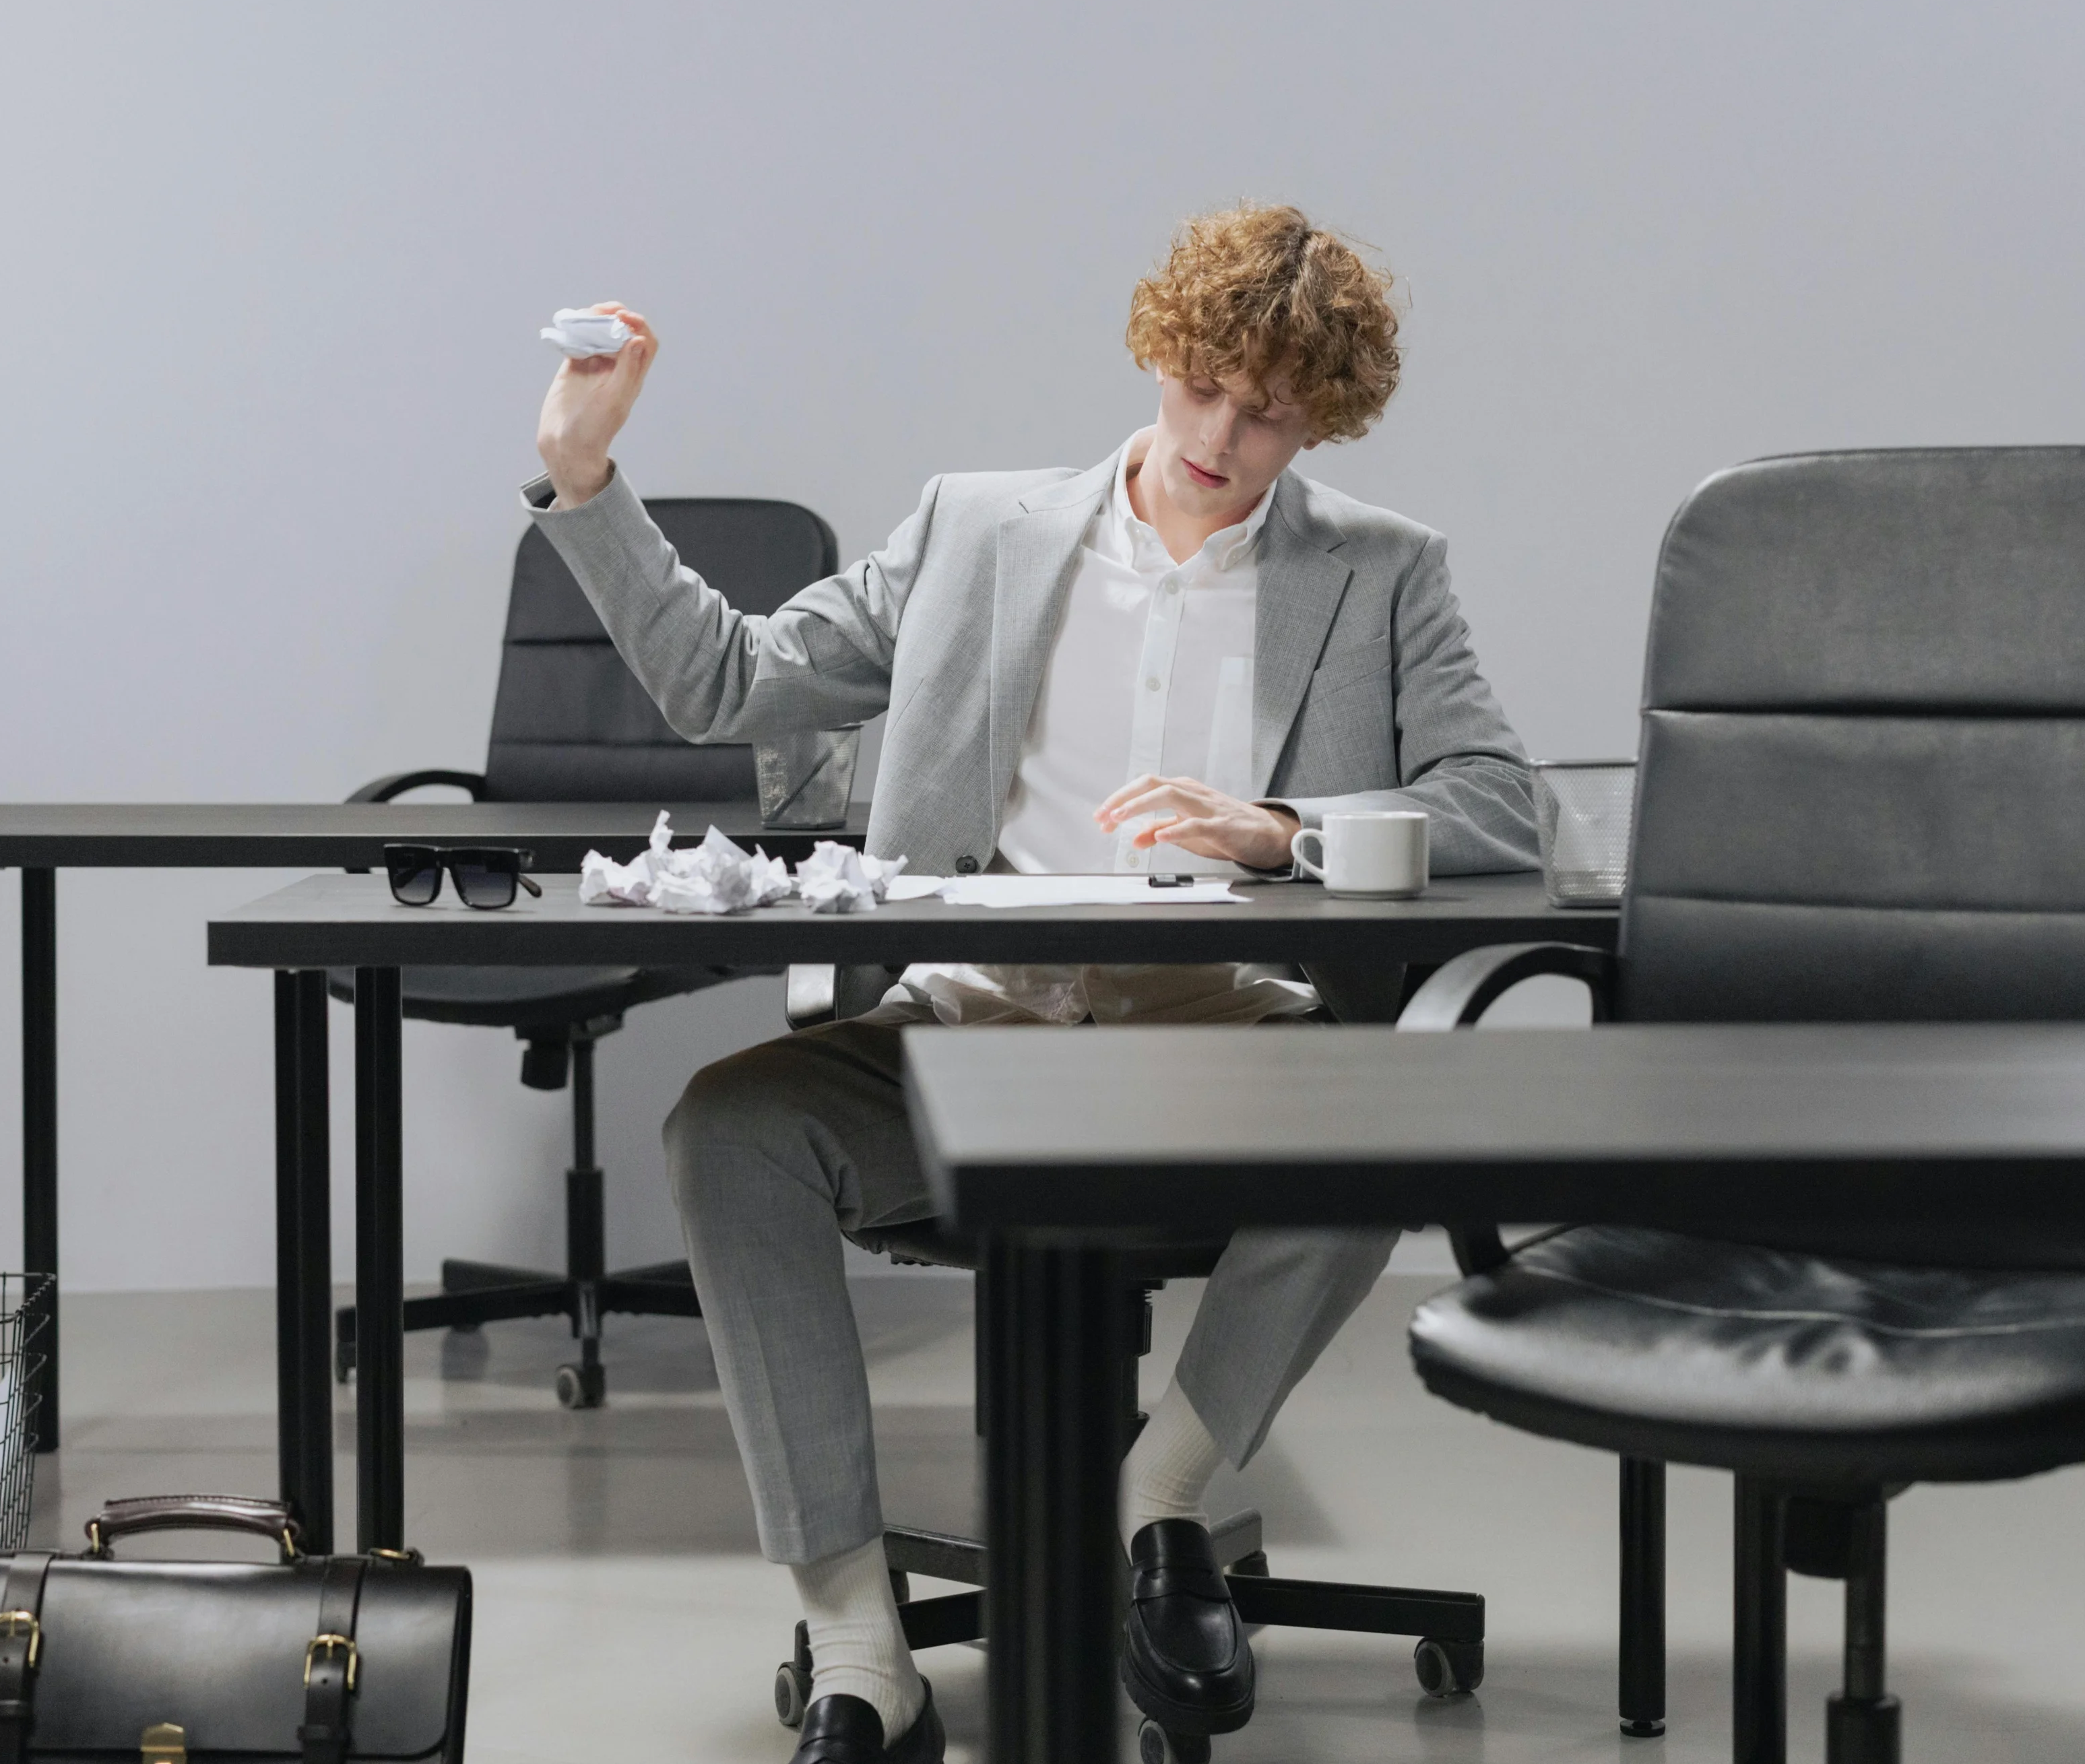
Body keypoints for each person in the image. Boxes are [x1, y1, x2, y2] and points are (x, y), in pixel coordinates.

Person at [530, 204, 1536, 1764]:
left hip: (1219, 1040)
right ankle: (864, 1652)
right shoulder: (976, 529)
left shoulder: (1379, 573)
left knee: (1402, 1099)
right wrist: (584, 477)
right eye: (1203, 383)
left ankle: (1160, 1499)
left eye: (1269, 409)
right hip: (973, 1030)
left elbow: (1495, 804)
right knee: (728, 1131)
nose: (1221, 431)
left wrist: (1278, 833)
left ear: (1319, 414)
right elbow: (725, 679)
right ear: (1159, 350)